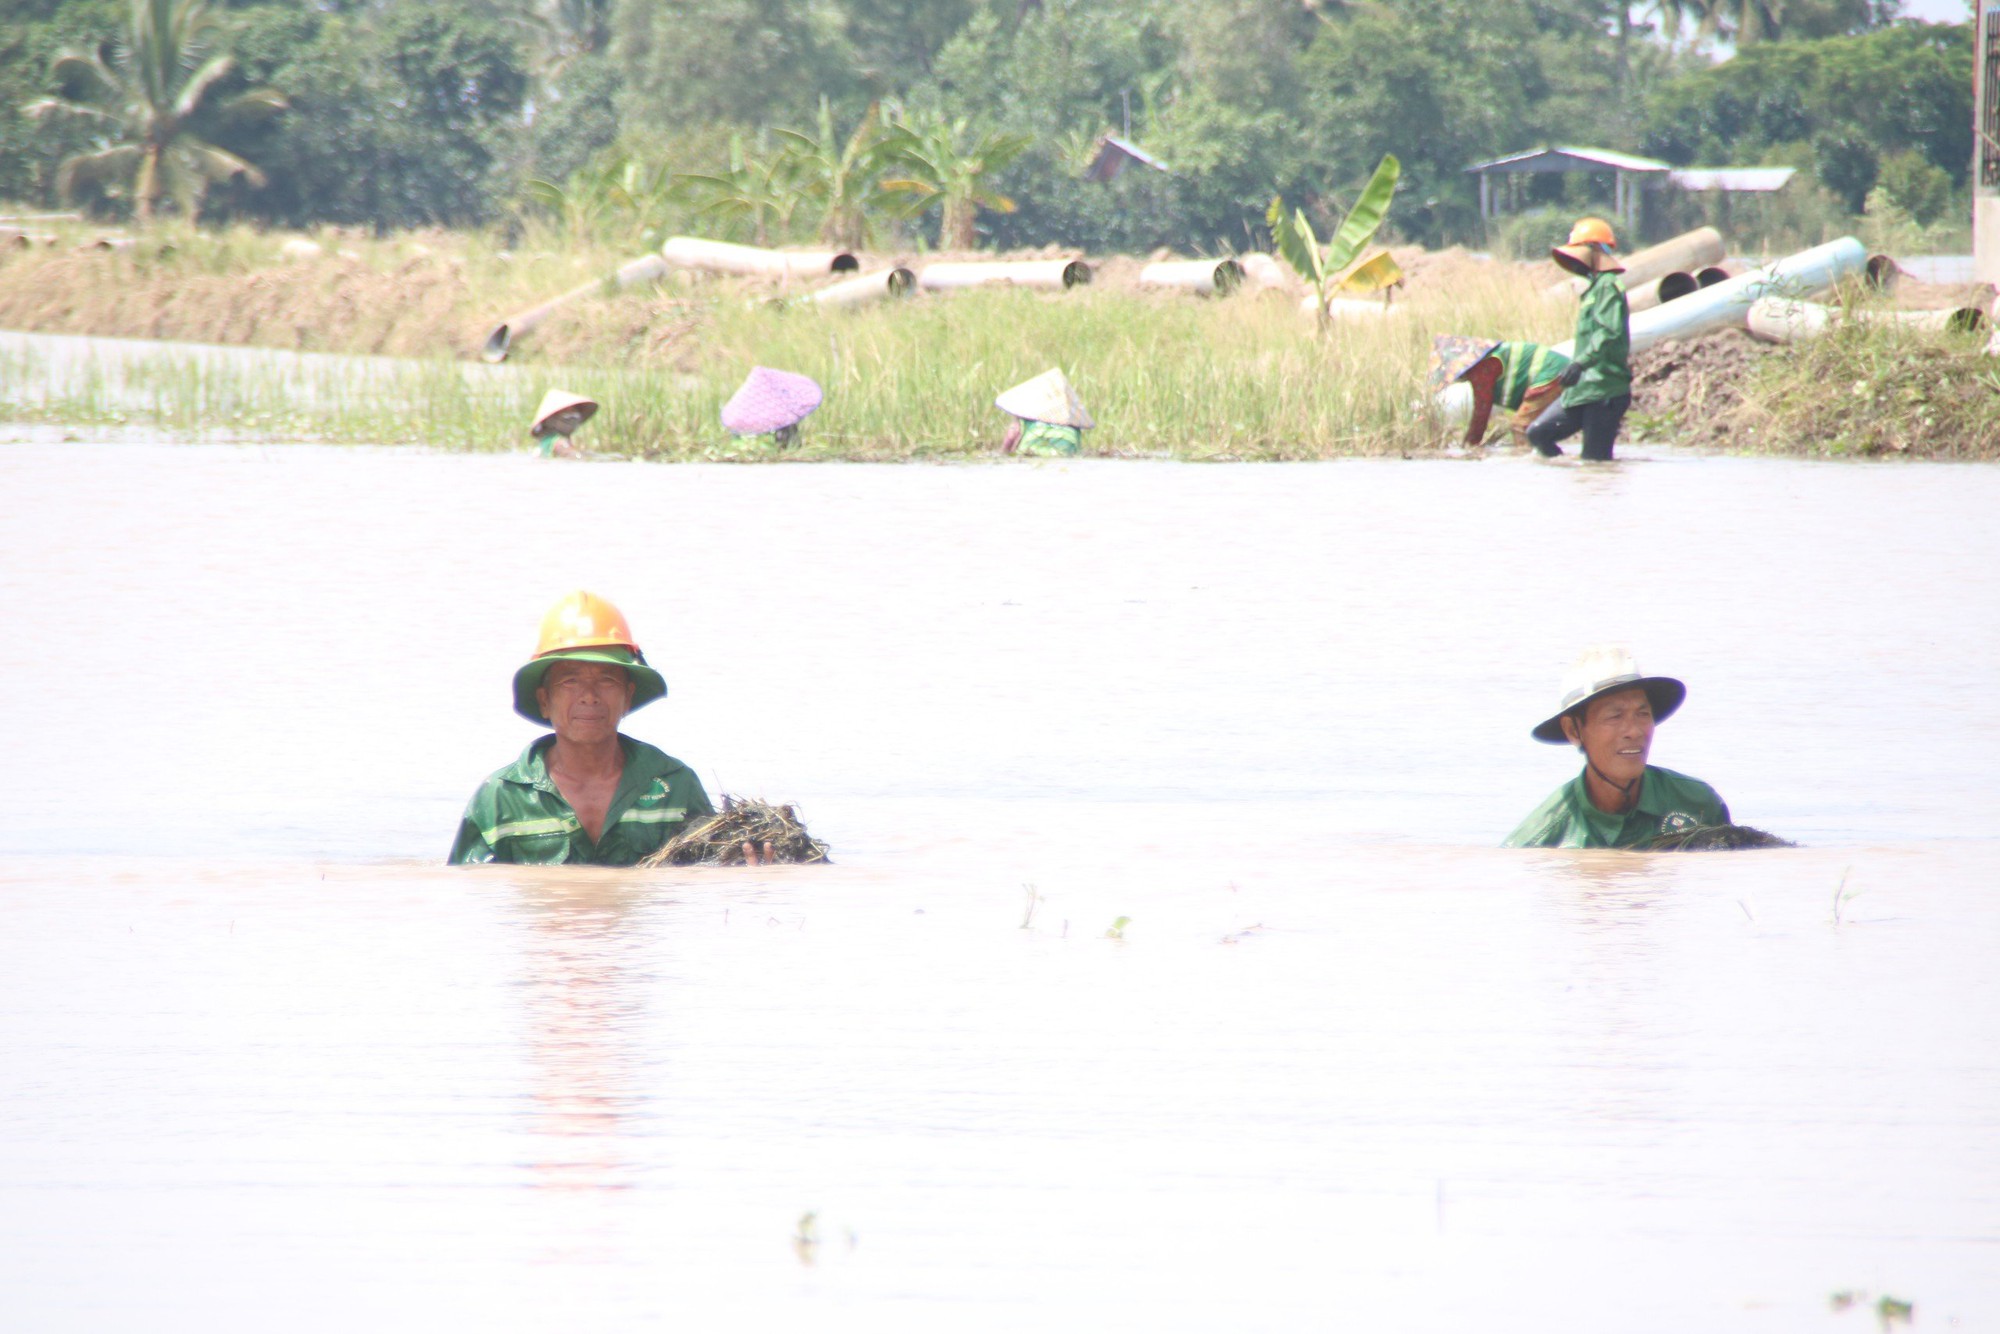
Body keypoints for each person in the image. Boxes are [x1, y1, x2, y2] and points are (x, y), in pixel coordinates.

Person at [450, 591, 714, 866]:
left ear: (627, 696)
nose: (589, 696)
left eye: (607, 680)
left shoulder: (675, 787)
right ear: (544, 700)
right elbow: (468, 886)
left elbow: (709, 877)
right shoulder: (502, 799)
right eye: (570, 681)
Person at [1504, 645, 1731, 849]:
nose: (1634, 731)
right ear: (1573, 730)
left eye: (1643, 713)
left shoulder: (1699, 805)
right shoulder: (1541, 842)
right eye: (1615, 716)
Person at [1528, 217, 1631, 462]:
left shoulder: (1608, 286)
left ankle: (1595, 484)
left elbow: (1609, 332)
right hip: (1581, 389)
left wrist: (1579, 363)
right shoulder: (1594, 289)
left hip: (1604, 389)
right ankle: (1565, 472)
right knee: (1538, 433)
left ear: (1595, 250)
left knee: (1595, 462)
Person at [1430, 336, 1571, 450]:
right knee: (1541, 427)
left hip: (1552, 374)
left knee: (1519, 426)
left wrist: (1469, 446)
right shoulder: (1487, 360)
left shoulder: (1483, 368)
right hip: (1560, 372)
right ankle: (1550, 458)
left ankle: (1528, 466)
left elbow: (1482, 412)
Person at [997, 367, 1094, 457]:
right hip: (1065, 451)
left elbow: (1011, 435)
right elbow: (1077, 448)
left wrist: (1003, 452)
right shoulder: (1072, 426)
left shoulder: (1025, 419)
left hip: (1031, 450)